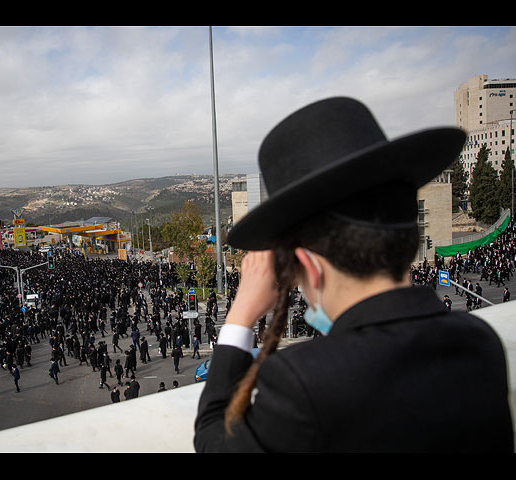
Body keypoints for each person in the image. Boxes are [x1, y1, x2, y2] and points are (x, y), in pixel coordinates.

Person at [193, 97, 513, 453]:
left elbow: (213, 438)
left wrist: (240, 315)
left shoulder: (305, 383)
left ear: (311, 269)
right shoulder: (479, 341)